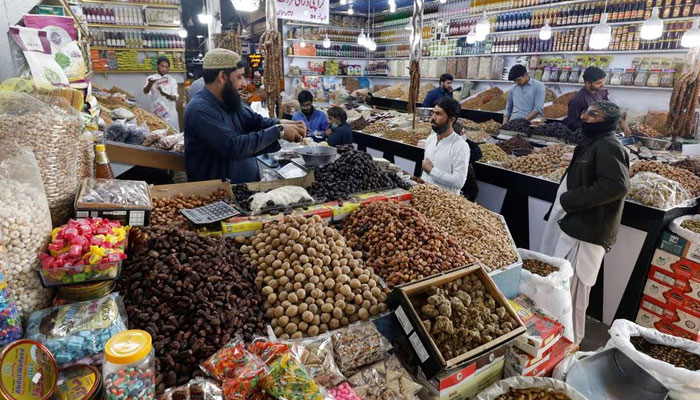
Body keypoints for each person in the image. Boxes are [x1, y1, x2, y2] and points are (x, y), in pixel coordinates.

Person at [540, 100, 630, 344]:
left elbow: (617, 185)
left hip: (587, 233)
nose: (584, 116)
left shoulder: (609, 145)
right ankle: (555, 344)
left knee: (574, 298)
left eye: (593, 114)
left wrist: (570, 200)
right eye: (586, 111)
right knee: (561, 292)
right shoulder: (593, 142)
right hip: (575, 227)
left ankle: (571, 346)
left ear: (607, 121)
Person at [184, 48, 305, 183]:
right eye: (239, 77)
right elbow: (233, 146)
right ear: (222, 77)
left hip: (243, 186)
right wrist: (279, 131)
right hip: (215, 194)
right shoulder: (200, 109)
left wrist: (282, 123)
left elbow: (255, 121)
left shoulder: (229, 100)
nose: (244, 83)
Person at [421, 97, 470, 194]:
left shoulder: (460, 146)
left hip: (443, 204)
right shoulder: (431, 139)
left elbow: (459, 182)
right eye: (433, 113)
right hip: (423, 197)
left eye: (438, 114)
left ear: (451, 119)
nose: (432, 118)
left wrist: (432, 170)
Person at [564, 67, 631, 135]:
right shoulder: (578, 99)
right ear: (588, 83)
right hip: (588, 135)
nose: (602, 85)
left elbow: (610, 110)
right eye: (598, 83)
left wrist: (621, 121)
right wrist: (593, 130)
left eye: (603, 81)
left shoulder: (601, 92)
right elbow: (571, 123)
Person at [144, 56, 180, 130]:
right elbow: (145, 92)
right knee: (158, 135)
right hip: (156, 112)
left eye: (166, 67)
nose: (164, 69)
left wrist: (164, 94)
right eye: (162, 66)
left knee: (172, 135)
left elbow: (175, 97)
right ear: (157, 66)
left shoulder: (172, 80)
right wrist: (150, 84)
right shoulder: (151, 79)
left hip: (170, 112)